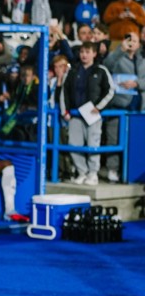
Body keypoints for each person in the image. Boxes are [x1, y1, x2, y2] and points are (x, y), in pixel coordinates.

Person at [60, 43, 115, 185]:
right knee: (74, 144)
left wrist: (99, 107)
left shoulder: (101, 70)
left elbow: (110, 90)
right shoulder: (72, 71)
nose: (84, 55)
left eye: (87, 51)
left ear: (94, 54)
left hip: (92, 114)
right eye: (82, 52)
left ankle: (93, 173)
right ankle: (82, 172)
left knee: (93, 144)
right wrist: (64, 110)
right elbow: (64, 91)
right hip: (75, 114)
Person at [102, 32, 145, 182]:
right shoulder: (118, 57)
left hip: (138, 106)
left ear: (139, 43)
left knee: (134, 140)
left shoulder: (142, 60)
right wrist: (121, 49)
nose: (132, 43)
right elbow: (106, 66)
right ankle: (112, 169)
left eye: (135, 40)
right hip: (119, 104)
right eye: (129, 39)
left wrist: (137, 83)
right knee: (114, 137)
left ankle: (132, 170)